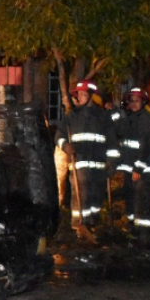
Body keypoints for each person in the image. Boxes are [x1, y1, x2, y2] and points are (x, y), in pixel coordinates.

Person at [54, 80, 118, 244]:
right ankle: (78, 227)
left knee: (95, 197)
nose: (80, 97)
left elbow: (112, 142)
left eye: (82, 94)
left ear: (91, 96)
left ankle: (91, 224)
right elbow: (58, 135)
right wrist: (66, 146)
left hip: (98, 164)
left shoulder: (104, 117)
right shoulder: (72, 116)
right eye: (79, 95)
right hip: (79, 163)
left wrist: (112, 162)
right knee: (80, 195)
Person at [117, 87, 150, 247]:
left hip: (145, 170)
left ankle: (145, 238)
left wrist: (138, 168)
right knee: (132, 200)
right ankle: (135, 231)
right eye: (131, 100)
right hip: (133, 168)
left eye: (137, 100)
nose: (133, 103)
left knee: (144, 203)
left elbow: (147, 145)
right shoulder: (132, 118)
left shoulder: (147, 119)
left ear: (143, 102)